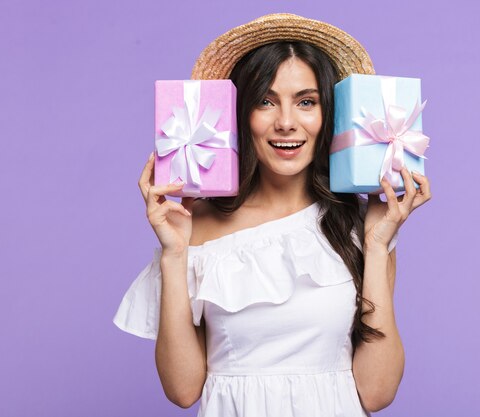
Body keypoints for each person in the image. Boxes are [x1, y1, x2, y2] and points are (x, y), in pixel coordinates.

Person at [114, 13, 431, 417]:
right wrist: (174, 253)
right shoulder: (194, 228)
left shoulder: (360, 226)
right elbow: (182, 390)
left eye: (306, 102)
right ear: (241, 115)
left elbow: (377, 392)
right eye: (265, 100)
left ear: (327, 115)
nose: (285, 122)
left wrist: (377, 242)